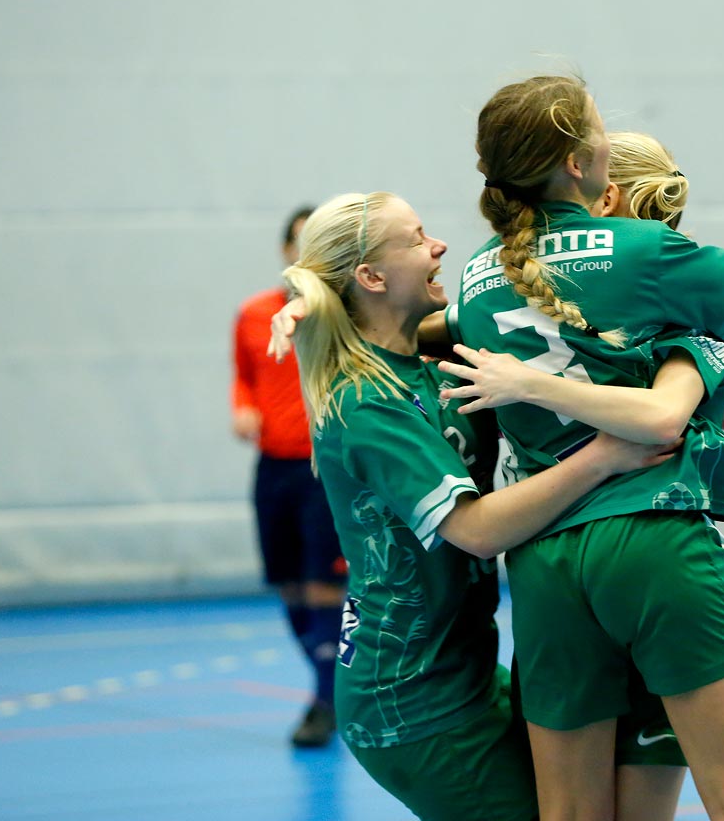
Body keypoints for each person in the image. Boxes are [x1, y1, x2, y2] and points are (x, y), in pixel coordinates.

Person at [449, 75, 724, 821]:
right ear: (578, 163)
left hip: (541, 560)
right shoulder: (651, 253)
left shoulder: (475, 278)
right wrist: (695, 367)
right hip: (650, 535)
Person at [282, 191, 673, 821]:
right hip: (411, 701)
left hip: (462, 671)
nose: (438, 246)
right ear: (371, 277)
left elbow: (548, 394)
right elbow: (477, 530)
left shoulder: (429, 371)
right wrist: (604, 455)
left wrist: (691, 410)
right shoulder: (368, 403)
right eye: (414, 238)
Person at [232, 205, 346, 747]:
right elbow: (245, 377)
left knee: (325, 582)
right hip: (272, 467)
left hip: (323, 469)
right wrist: (242, 407)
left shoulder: (341, 316)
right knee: (288, 583)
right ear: (284, 251)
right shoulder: (253, 315)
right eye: (297, 243)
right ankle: (328, 683)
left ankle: (327, 700)